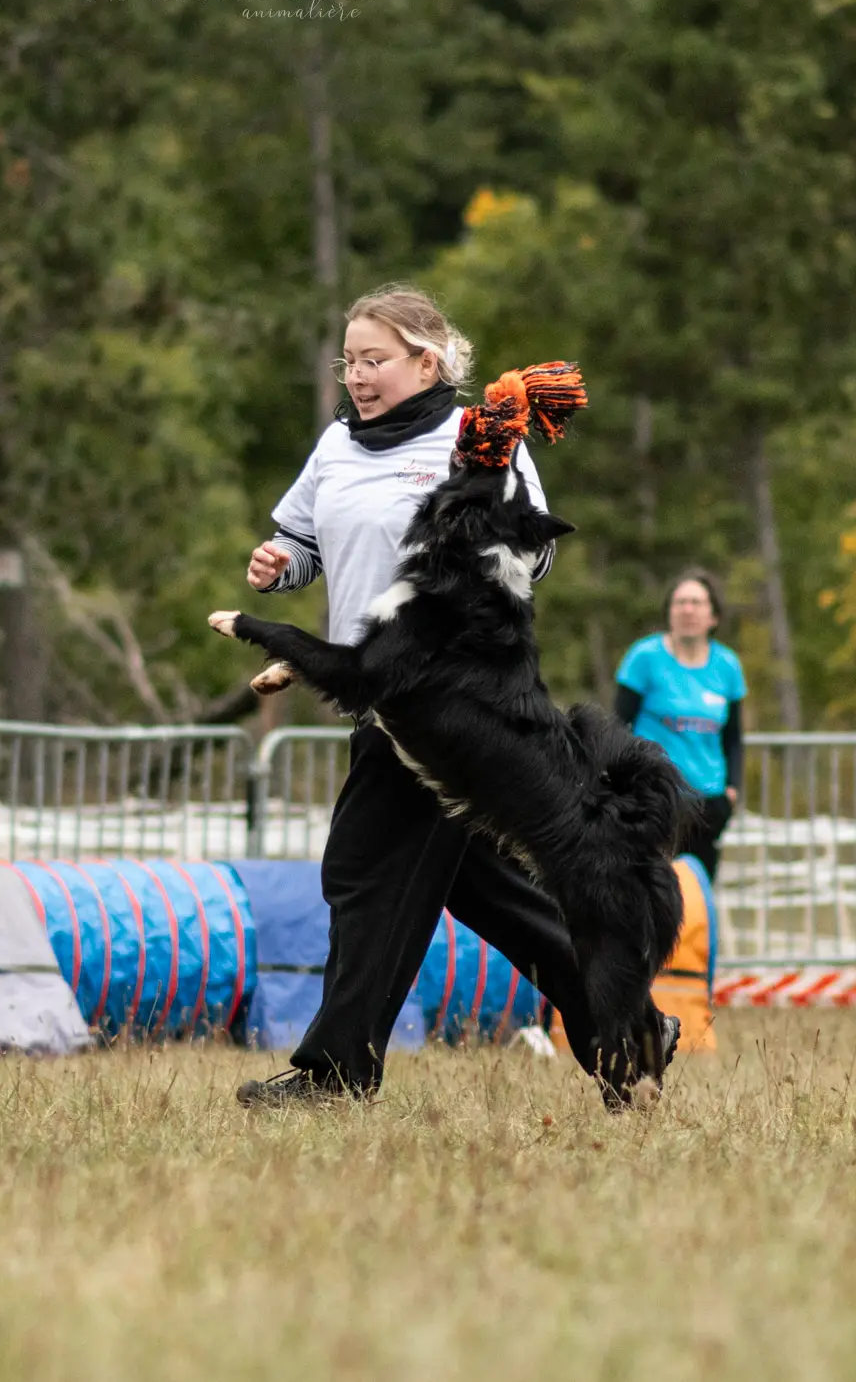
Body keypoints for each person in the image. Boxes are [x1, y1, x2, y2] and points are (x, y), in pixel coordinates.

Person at [234, 282, 597, 1106]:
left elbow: (534, 554)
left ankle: (336, 1073)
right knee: (479, 887)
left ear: (426, 361)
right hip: (384, 696)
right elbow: (303, 542)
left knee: (363, 871)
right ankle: (621, 1020)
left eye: (375, 360)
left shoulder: (478, 439)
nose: (356, 375)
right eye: (349, 360)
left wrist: (479, 536)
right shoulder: (336, 445)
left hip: (454, 695)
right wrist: (279, 566)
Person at [613, 571, 746, 881]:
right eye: (680, 602)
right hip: (654, 798)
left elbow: (734, 737)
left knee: (698, 893)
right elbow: (618, 727)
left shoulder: (727, 666)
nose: (688, 610)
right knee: (652, 890)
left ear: (713, 616)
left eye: (697, 603)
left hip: (708, 802)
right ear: (669, 612)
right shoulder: (644, 658)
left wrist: (733, 789)